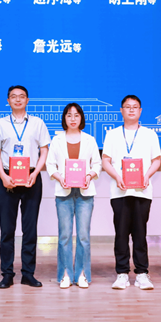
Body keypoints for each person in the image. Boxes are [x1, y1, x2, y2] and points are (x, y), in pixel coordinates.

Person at [0, 85, 50, 288]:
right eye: (13, 97)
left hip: (31, 177)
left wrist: (35, 173)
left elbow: (44, 150)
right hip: (7, 178)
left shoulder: (37, 123)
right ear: (8, 101)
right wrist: (2, 176)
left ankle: (28, 273)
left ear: (27, 100)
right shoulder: (0, 124)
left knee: (30, 229)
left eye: (22, 96)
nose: (17, 99)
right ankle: (7, 274)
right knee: (7, 230)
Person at [102, 95, 161, 290]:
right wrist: (117, 176)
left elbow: (156, 160)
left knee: (140, 233)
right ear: (121, 110)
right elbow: (105, 161)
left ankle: (142, 273)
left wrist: (146, 176)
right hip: (119, 191)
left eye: (135, 107)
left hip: (142, 191)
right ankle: (122, 274)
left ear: (140, 111)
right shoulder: (112, 134)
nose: (131, 110)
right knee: (121, 234)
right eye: (127, 107)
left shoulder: (150, 134)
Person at [45, 103, 102, 289]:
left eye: (76, 115)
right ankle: (65, 274)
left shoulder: (90, 140)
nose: (73, 118)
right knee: (65, 236)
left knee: (83, 236)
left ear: (81, 118)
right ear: (64, 118)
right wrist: (60, 178)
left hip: (85, 192)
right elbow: (50, 165)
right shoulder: (57, 140)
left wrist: (89, 176)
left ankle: (83, 274)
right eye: (69, 115)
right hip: (64, 193)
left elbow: (97, 164)